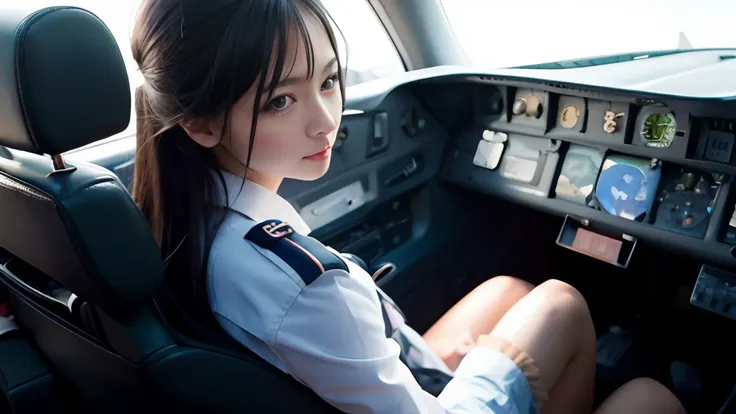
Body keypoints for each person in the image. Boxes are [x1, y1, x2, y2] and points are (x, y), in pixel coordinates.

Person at [129, 1, 686, 413]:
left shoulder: (171, 223)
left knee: (509, 292)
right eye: (281, 100)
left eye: (328, 80)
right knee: (600, 342)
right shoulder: (304, 284)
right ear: (200, 124)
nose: (326, 120)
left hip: (374, 380)